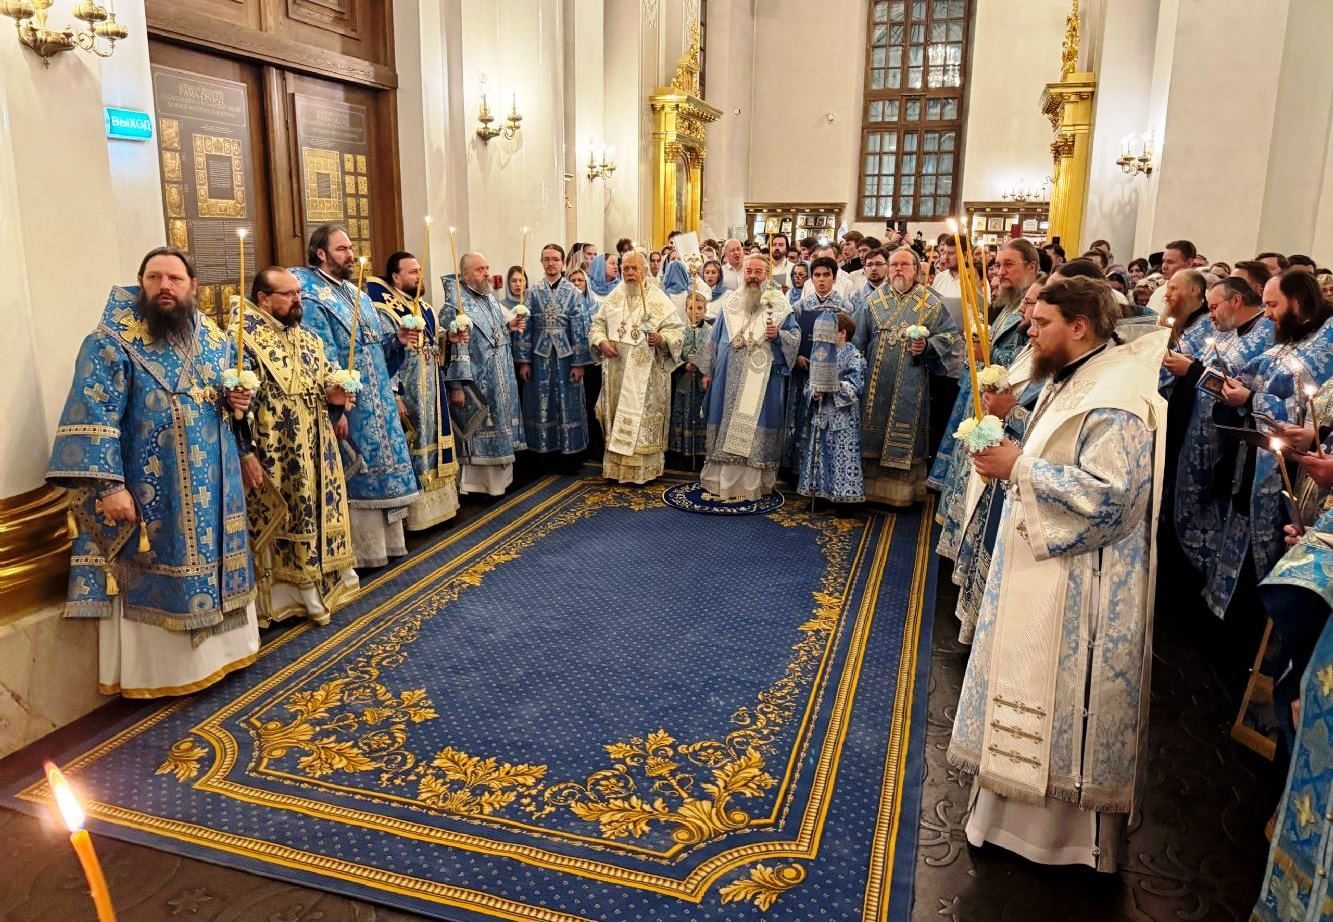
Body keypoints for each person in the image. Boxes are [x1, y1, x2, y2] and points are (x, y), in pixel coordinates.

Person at [948, 276, 1167, 872]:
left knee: (1062, 699)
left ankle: (1063, 841)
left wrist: (1019, 466)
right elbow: (1054, 456)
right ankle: (1000, 818)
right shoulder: (1070, 375)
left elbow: (1114, 497)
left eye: (1041, 323)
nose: (1030, 330)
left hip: (1081, 587)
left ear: (1080, 325)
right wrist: (1013, 438)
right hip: (1038, 568)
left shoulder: (1116, 395)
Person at [49, 247, 260, 697]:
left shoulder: (215, 337)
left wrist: (239, 412)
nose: (165, 287)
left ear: (193, 287)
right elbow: (94, 413)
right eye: (155, 278)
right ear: (141, 282)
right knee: (155, 565)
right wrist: (109, 486)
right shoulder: (110, 341)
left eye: (175, 279)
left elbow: (230, 400)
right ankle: (163, 672)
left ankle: (223, 654)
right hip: (151, 489)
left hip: (215, 486)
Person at [1208, 271, 1333, 679]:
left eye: (1275, 306)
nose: (1269, 315)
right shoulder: (1294, 340)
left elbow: (1304, 407)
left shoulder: (1324, 344)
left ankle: (1260, 666)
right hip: (1257, 466)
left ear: (1298, 302)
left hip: (1288, 478)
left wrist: (1252, 398)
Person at [293, 225, 419, 568]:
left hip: (378, 395)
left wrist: (398, 342)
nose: (351, 255)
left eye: (350, 248)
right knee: (359, 471)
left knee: (385, 468)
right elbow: (324, 357)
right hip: (352, 404)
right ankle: (363, 552)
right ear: (321, 254)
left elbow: (377, 349)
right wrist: (338, 411)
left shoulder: (358, 295)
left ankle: (389, 544)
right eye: (342, 249)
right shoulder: (310, 296)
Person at [240, 267, 359, 626]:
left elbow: (324, 380)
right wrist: (246, 452)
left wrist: (337, 396)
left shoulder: (307, 338)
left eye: (298, 293)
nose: (297, 300)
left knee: (318, 507)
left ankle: (325, 582)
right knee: (288, 512)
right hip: (275, 447)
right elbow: (237, 404)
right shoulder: (241, 339)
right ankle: (289, 594)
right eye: (288, 294)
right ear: (263, 299)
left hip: (317, 444)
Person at [948, 280, 1046, 642]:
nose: (1030, 324)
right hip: (1008, 460)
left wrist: (1011, 410)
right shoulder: (1034, 348)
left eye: (1039, 318)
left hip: (1022, 473)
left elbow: (1045, 420)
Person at [1173, 277, 1272, 609]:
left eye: (1214, 307)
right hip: (1202, 433)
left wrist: (1193, 370)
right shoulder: (1229, 331)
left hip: (1232, 443)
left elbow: (1243, 385)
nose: (1210, 315)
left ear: (1236, 301)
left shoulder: (1264, 335)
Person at [933, 240, 1039, 543]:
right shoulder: (1008, 305)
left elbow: (1027, 363)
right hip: (985, 402)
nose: (999, 271)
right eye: (998, 265)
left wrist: (987, 354)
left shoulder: (1031, 307)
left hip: (1006, 415)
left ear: (1031, 267)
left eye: (1009, 265)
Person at [855, 246, 960, 506]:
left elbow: (950, 336)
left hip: (911, 381)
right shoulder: (873, 301)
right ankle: (869, 490)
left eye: (904, 265)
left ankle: (901, 494)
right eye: (893, 265)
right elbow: (858, 338)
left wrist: (927, 346)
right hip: (875, 381)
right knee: (872, 432)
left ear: (917, 270)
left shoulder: (931, 302)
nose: (898, 269)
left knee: (906, 432)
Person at [367, 251, 462, 531]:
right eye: (412, 272)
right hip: (408, 390)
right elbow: (384, 354)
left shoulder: (425, 307)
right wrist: (394, 395)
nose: (418, 276)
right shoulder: (384, 309)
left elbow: (435, 346)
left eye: (420, 271)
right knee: (414, 442)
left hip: (432, 389)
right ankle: (416, 516)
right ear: (396, 277)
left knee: (434, 438)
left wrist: (450, 339)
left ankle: (441, 509)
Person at [698, 253, 801, 500]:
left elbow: (794, 337)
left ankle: (753, 484)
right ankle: (720, 481)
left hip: (763, 379)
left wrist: (778, 335)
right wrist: (707, 371)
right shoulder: (730, 303)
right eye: (749, 271)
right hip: (726, 378)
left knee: (755, 429)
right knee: (725, 423)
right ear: (743, 273)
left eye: (758, 272)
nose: (753, 276)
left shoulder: (780, 305)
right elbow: (714, 339)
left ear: (767, 275)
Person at [587, 250, 685, 484]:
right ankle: (617, 469)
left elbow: (677, 332)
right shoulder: (614, 297)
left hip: (647, 376)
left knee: (641, 421)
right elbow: (596, 326)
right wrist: (602, 342)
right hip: (616, 374)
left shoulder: (658, 298)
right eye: (625, 269)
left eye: (634, 269)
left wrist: (661, 339)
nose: (630, 273)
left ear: (645, 270)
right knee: (616, 416)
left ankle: (644, 472)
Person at [442, 252, 527, 496]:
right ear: (466, 275)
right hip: (477, 383)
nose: (486, 273)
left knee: (502, 424)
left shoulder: (489, 298)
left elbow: (496, 331)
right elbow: (455, 348)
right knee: (479, 430)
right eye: (480, 269)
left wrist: (509, 327)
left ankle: (500, 483)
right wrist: (457, 385)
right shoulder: (454, 307)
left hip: (500, 376)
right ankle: (477, 487)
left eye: (487, 268)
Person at [515, 243, 592, 463]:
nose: (551, 263)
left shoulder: (574, 293)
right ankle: (542, 453)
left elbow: (580, 328)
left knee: (567, 401)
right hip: (539, 357)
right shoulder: (531, 293)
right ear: (541, 262)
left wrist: (579, 363)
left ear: (563, 263)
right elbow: (524, 327)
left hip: (567, 358)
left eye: (555, 259)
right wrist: (523, 361)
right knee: (540, 401)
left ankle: (569, 454)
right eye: (547, 259)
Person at [786, 255, 853, 470]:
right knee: (801, 417)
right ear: (811, 279)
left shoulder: (845, 307)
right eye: (817, 275)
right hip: (803, 371)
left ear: (834, 278)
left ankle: (824, 469)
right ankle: (798, 468)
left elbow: (849, 341)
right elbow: (792, 334)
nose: (821, 280)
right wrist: (795, 356)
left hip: (833, 376)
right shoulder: (800, 306)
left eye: (826, 275)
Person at [797, 311, 866, 504]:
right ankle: (819, 495)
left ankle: (844, 499)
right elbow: (809, 382)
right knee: (820, 457)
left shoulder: (854, 356)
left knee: (842, 459)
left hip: (844, 418)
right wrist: (814, 392)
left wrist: (830, 386)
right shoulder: (822, 353)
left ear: (842, 333)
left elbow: (855, 387)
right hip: (822, 415)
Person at [669, 289, 712, 461]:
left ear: (705, 310)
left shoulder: (710, 331)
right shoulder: (679, 331)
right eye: (692, 308)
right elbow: (672, 354)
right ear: (685, 309)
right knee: (683, 413)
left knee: (700, 414)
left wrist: (701, 366)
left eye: (700, 308)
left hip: (702, 382)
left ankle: (700, 452)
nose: (696, 312)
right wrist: (685, 365)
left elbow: (713, 354)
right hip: (684, 379)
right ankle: (681, 453)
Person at [1147, 239, 1195, 313]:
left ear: (1189, 263)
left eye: (1170, 262)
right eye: (1163, 261)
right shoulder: (1158, 292)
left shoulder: (1198, 295)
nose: (1164, 266)